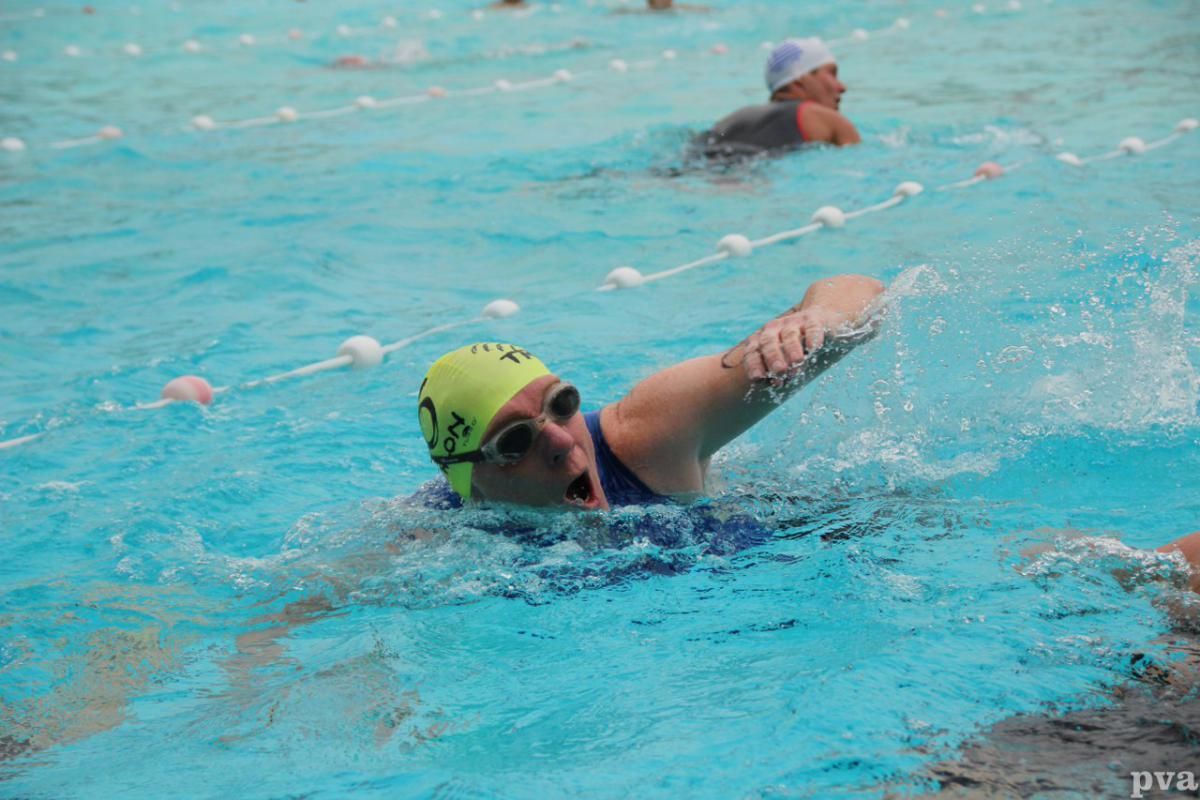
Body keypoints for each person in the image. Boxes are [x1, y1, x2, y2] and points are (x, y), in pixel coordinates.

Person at [416, 274, 884, 509]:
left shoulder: (651, 434)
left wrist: (819, 320)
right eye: (514, 441)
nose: (561, 442)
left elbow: (859, 288)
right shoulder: (439, 535)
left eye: (561, 404)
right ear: (468, 482)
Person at [704, 37, 860, 158]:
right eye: (832, 74)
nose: (842, 87)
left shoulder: (731, 120)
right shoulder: (822, 117)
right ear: (800, 78)